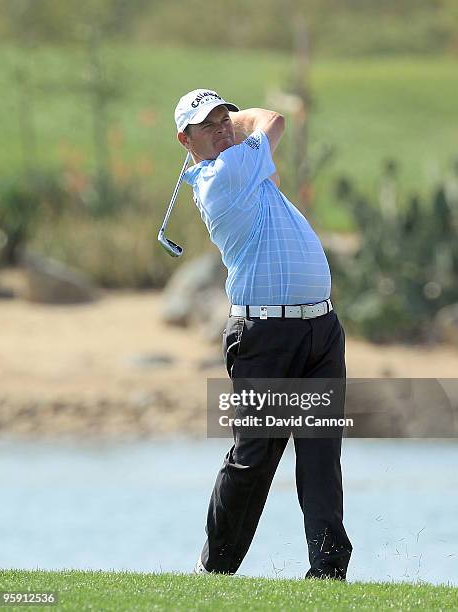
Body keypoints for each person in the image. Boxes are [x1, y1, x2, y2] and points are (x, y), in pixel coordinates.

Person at [174, 88, 352, 580]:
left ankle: (328, 570)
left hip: (320, 331)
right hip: (265, 335)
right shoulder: (223, 177)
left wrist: (230, 125)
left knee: (320, 455)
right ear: (185, 140)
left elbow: (258, 138)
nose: (221, 128)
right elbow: (272, 119)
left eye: (223, 118)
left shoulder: (248, 171)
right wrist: (241, 117)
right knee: (255, 458)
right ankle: (216, 568)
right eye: (207, 125)